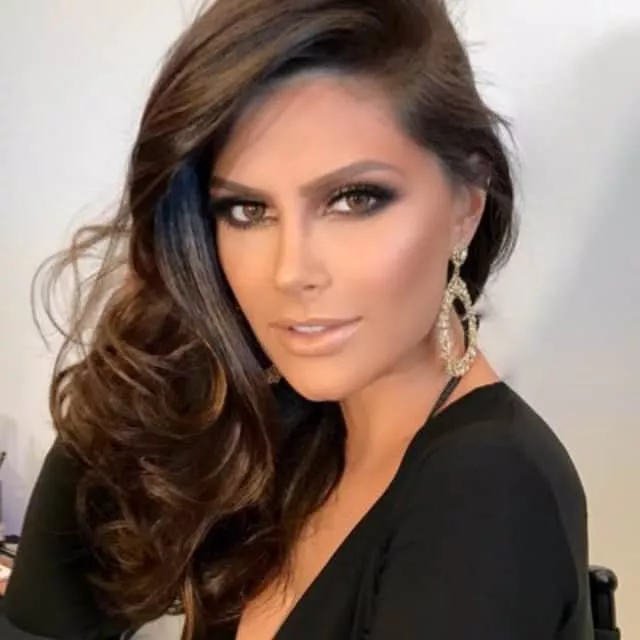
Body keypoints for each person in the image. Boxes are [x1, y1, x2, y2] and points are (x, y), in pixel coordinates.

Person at [3, 0, 593, 638]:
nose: (289, 272)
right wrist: (158, 342)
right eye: (247, 211)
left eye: (354, 199)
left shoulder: (486, 491)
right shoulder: (292, 427)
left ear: (466, 204)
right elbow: (42, 619)